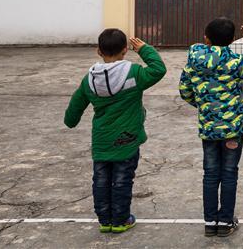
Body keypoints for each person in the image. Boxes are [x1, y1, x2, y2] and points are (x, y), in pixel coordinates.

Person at [64, 29, 167, 234]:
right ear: (125, 50)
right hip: (127, 140)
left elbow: (73, 111)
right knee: (122, 180)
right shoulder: (134, 74)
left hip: (102, 141)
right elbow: (158, 70)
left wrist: (70, 121)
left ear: (98, 51)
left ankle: (105, 220)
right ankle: (120, 220)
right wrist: (145, 49)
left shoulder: (89, 80)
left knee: (101, 180)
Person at [178, 18, 243, 238]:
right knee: (229, 173)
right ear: (231, 40)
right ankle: (225, 221)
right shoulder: (236, 61)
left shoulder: (194, 59)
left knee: (211, 174)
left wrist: (205, 106)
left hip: (209, 127)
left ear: (206, 37)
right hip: (233, 128)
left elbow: (185, 90)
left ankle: (210, 221)